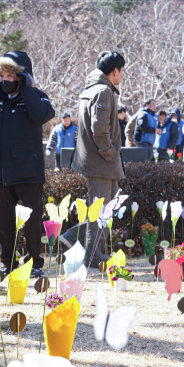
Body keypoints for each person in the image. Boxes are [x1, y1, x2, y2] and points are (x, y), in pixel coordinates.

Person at [0, 51, 54, 277]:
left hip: (28, 172)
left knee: (33, 221)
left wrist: (26, 88)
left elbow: (42, 115)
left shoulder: (36, 96)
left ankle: (35, 264)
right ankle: (6, 262)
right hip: (2, 172)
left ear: (22, 76)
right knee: (2, 221)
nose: (4, 79)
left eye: (10, 75)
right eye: (0, 74)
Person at [72, 50, 125, 268]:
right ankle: (93, 256)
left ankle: (71, 238)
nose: (122, 75)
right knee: (100, 211)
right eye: (121, 71)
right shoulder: (103, 91)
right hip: (102, 161)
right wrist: (111, 153)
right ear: (115, 71)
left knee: (104, 209)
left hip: (97, 161)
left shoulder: (92, 88)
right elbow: (100, 131)